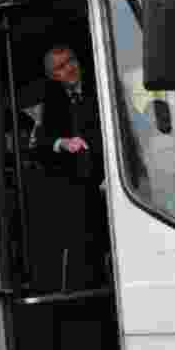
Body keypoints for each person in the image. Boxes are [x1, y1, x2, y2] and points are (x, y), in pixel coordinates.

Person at [36, 44, 109, 290]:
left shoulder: (101, 86)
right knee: (86, 253)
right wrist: (63, 142)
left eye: (71, 61)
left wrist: (112, 173)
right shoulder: (52, 101)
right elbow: (41, 143)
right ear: (52, 76)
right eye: (60, 67)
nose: (69, 68)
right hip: (75, 190)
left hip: (109, 182)